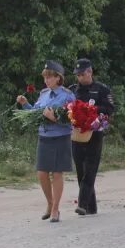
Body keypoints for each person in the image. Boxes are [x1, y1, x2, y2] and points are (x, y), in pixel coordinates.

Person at [16, 60, 76, 223]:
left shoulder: (67, 95)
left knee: (57, 173)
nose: (46, 80)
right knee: (42, 173)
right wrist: (25, 104)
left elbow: (73, 119)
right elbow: (35, 114)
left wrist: (55, 118)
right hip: (44, 137)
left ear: (58, 78)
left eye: (49, 77)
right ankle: (50, 203)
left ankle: (56, 209)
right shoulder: (43, 94)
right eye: (45, 78)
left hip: (60, 137)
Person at [69, 58, 114, 215]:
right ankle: (91, 206)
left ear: (90, 72)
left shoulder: (101, 89)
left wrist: (90, 109)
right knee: (80, 170)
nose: (80, 77)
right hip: (77, 134)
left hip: (94, 134)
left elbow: (109, 108)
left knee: (90, 169)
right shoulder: (72, 89)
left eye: (82, 74)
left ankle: (81, 204)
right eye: (78, 75)